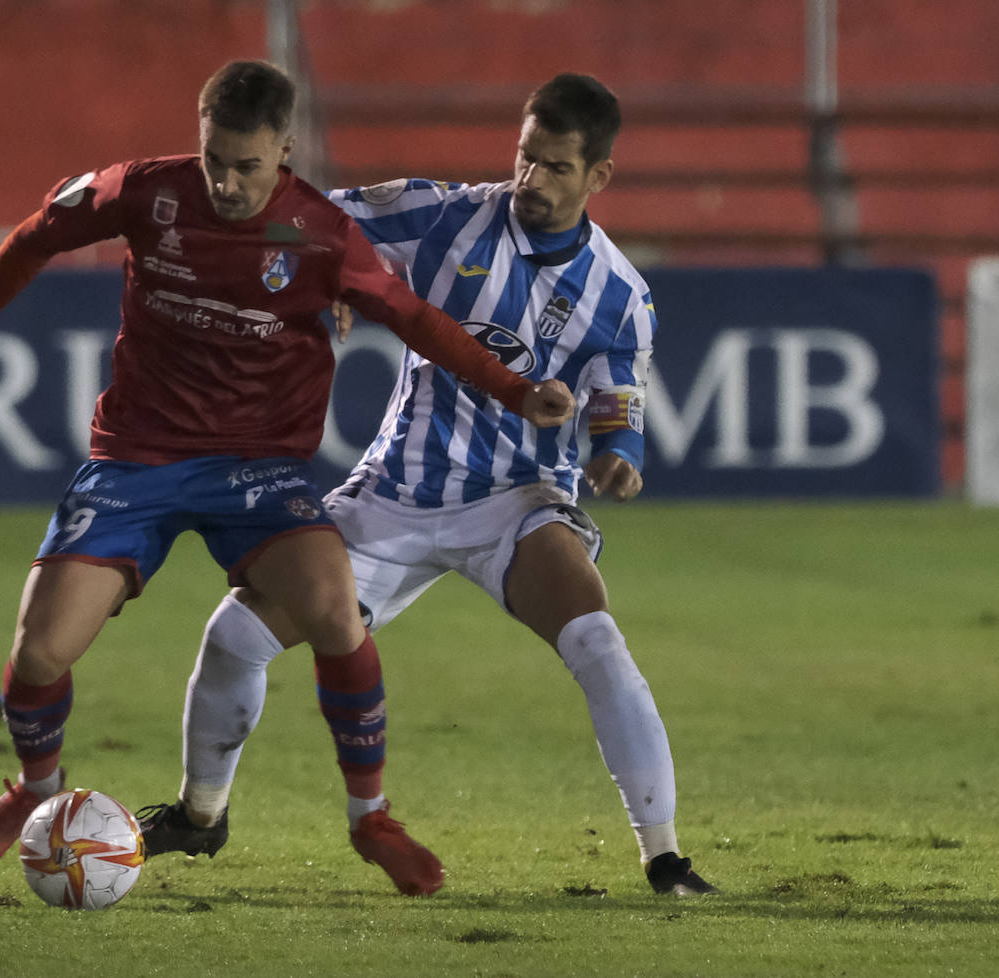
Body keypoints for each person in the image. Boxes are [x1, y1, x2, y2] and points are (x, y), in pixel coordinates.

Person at [0, 59, 574, 897]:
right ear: (200, 141)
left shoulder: (320, 235)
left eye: (248, 165)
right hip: (138, 458)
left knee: (337, 611)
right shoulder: (145, 191)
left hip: (259, 469)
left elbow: (416, 321)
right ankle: (36, 795)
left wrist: (518, 391)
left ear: (285, 152)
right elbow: (34, 236)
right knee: (41, 647)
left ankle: (370, 817)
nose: (228, 182)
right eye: (215, 160)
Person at [143, 73, 716, 896]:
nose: (533, 182)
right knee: (234, 636)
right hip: (392, 495)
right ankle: (201, 817)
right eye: (525, 158)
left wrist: (615, 451)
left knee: (597, 639)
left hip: (517, 500)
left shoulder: (621, 295)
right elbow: (308, 213)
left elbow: (617, 401)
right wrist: (322, 274)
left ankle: (665, 858)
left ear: (599, 179)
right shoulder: (444, 213)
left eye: (557, 168)